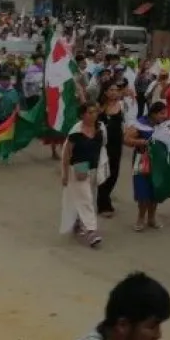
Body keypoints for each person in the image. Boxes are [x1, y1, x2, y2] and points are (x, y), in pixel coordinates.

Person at [60, 101, 107, 249]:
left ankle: (78, 221)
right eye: (90, 112)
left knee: (87, 197)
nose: (93, 115)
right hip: (79, 169)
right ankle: (92, 231)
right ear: (82, 115)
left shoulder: (100, 129)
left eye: (95, 112)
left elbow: (102, 147)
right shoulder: (76, 132)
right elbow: (67, 154)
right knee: (86, 199)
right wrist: (65, 174)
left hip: (93, 168)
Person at [125, 101, 170, 232]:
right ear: (153, 113)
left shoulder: (164, 125)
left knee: (155, 190)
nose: (165, 116)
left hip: (159, 162)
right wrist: (142, 142)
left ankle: (151, 218)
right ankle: (140, 218)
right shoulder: (139, 124)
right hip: (142, 161)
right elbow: (127, 139)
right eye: (162, 113)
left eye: (165, 113)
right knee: (142, 190)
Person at [97, 83, 125, 217]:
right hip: (102, 145)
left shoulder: (122, 106)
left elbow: (127, 124)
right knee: (104, 172)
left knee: (114, 173)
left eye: (116, 90)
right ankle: (103, 205)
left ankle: (104, 199)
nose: (114, 92)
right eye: (111, 89)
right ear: (106, 92)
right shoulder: (100, 108)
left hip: (117, 144)